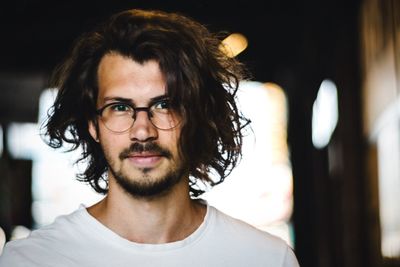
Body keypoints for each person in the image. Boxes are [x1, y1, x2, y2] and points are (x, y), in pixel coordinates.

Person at [0, 9, 299, 266]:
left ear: (197, 115)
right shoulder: (30, 260)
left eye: (164, 105)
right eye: (119, 107)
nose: (142, 130)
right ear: (93, 124)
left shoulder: (266, 259)